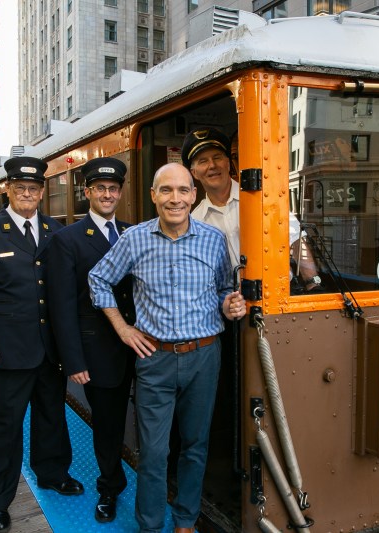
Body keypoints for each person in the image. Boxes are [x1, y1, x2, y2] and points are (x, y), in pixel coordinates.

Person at [89, 163, 247, 533]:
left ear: (193, 196)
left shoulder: (212, 239)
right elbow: (97, 279)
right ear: (153, 196)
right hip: (155, 359)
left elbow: (224, 288)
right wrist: (123, 328)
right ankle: (150, 525)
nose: (175, 198)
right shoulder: (135, 239)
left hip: (205, 356)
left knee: (195, 445)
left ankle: (186, 522)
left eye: (182, 190)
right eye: (166, 190)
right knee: (155, 452)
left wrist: (229, 305)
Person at [0, 156, 82, 533]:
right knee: (5, 427)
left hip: (48, 350)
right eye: (20, 188)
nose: (27, 194)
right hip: (6, 351)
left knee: (52, 418)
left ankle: (52, 474)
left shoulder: (54, 231)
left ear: (42, 192)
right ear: (8, 190)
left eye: (33, 189)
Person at [47, 157, 135, 523]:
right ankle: (109, 488)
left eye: (113, 189)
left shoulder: (134, 232)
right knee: (109, 425)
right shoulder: (66, 240)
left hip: (142, 347)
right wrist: (74, 360)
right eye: (100, 188)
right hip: (98, 350)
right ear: (87, 193)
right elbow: (62, 306)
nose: (107, 195)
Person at [183, 127, 324, 292]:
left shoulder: (263, 198)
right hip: (229, 305)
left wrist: (313, 283)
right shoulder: (195, 220)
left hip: (277, 296)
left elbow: (295, 240)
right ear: (194, 173)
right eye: (203, 161)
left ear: (228, 163)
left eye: (217, 157)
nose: (212, 165)